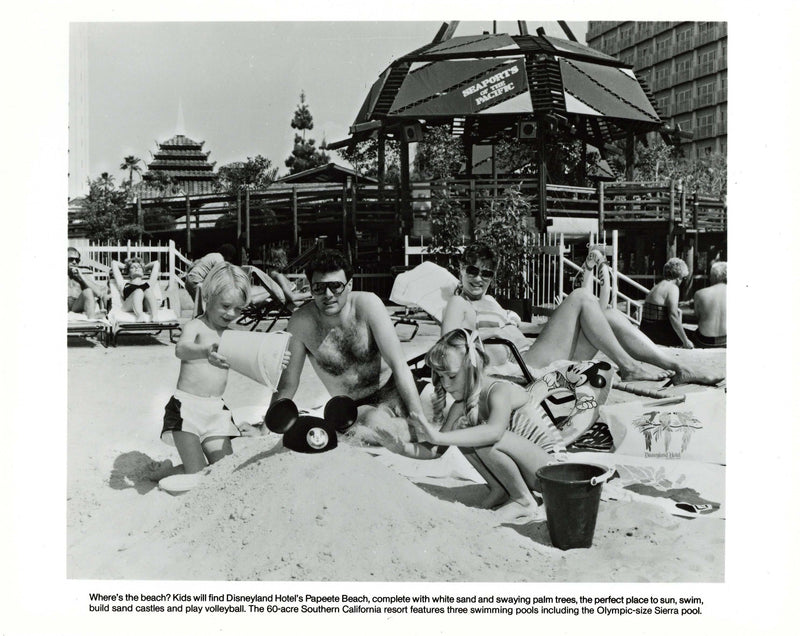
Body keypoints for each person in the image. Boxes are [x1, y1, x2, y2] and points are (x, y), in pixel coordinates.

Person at [442, 242, 720, 385]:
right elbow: (447, 348)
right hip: (520, 366)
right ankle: (630, 367)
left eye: (487, 273)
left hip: (533, 350)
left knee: (607, 314)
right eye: (473, 271)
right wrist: (495, 332)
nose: (479, 278)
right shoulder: (459, 303)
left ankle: (677, 367)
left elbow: (534, 329)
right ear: (461, 269)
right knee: (580, 298)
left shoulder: (490, 301)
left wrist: (515, 325)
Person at [271, 248, 426, 449]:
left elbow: (399, 365)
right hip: (357, 406)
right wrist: (270, 423)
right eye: (318, 288)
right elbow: (288, 382)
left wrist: (418, 415)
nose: (327, 295)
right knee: (382, 430)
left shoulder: (368, 304)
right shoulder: (301, 322)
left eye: (335, 286)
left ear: (349, 285)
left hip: (394, 387)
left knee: (444, 407)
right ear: (311, 289)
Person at [405, 329, 552, 522]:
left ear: (472, 368)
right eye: (440, 377)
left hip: (554, 472)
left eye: (451, 376)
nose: (446, 384)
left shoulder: (498, 390)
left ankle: (523, 500)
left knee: (484, 436)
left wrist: (438, 436)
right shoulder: (461, 405)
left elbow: (494, 432)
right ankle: (499, 488)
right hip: (533, 472)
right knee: (463, 429)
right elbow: (436, 449)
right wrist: (398, 445)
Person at [161, 262, 285, 474]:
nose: (231, 313)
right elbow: (181, 349)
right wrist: (205, 351)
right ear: (208, 297)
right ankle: (165, 471)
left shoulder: (232, 334)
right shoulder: (196, 326)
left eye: (238, 308)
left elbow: (256, 355)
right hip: (187, 410)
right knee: (197, 473)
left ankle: (181, 468)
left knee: (223, 470)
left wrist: (275, 358)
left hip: (216, 411)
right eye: (226, 306)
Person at [639, 257, 694, 349]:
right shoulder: (673, 288)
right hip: (657, 333)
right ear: (679, 277)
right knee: (694, 337)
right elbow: (673, 316)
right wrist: (685, 341)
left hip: (646, 329)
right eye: (684, 278)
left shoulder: (658, 285)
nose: (682, 281)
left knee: (688, 333)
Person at [110, 256, 162, 322]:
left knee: (148, 290)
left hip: (145, 305)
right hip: (128, 306)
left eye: (139, 267)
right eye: (133, 267)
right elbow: (114, 263)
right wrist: (128, 266)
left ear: (143, 272)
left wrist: (143, 267)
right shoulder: (123, 284)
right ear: (128, 273)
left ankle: (154, 317)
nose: (136, 268)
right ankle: (140, 317)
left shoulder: (149, 284)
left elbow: (156, 263)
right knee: (139, 291)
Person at [690, 261, 726, 348]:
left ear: (715, 276)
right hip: (726, 340)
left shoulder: (699, 293)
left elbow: (697, 316)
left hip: (704, 340)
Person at [67, 247, 108, 318]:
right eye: (70, 259)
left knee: (88, 291)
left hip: (77, 305)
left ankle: (91, 316)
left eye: (77, 260)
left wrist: (81, 277)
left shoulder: (84, 275)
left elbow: (98, 293)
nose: (74, 262)